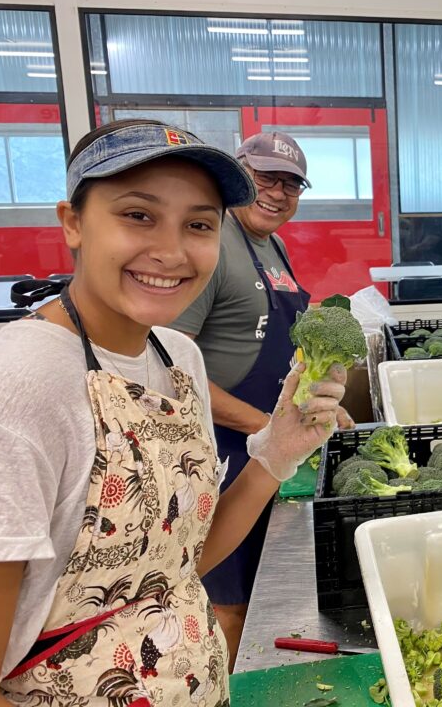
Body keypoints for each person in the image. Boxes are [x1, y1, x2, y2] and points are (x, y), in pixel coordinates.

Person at [0, 120, 345, 706]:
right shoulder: (18, 386)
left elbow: (177, 564)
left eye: (199, 224)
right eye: (138, 215)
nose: (173, 251)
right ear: (73, 222)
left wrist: (276, 454)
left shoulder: (176, 356)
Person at [171, 131, 349, 666]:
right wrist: (270, 430)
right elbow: (174, 371)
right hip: (221, 451)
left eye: (291, 183)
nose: (277, 192)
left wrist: (312, 404)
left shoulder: (273, 244)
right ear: (238, 172)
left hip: (264, 448)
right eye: (265, 176)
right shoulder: (211, 244)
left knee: (254, 584)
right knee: (230, 603)